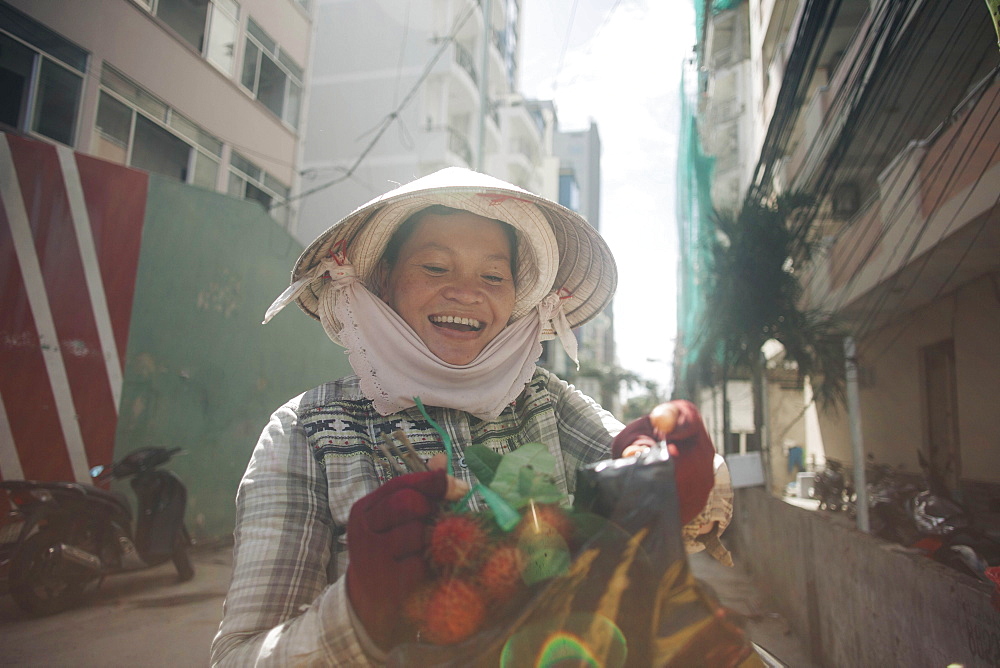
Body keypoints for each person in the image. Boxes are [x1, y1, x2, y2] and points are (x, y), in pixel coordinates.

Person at [210, 168, 724, 666]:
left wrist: (668, 470)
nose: (467, 292)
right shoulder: (307, 429)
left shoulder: (545, 400)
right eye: (435, 267)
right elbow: (241, 657)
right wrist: (355, 613)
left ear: (515, 296)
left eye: (494, 275)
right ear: (385, 280)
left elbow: (648, 475)